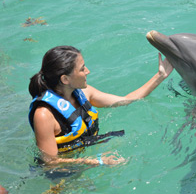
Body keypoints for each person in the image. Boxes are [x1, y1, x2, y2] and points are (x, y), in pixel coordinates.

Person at [28, 45, 173, 166]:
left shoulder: (84, 93)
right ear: (65, 79)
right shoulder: (44, 115)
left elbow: (127, 99)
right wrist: (97, 161)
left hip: (84, 155)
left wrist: (160, 75)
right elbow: (49, 162)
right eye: (82, 69)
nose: (88, 71)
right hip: (62, 175)